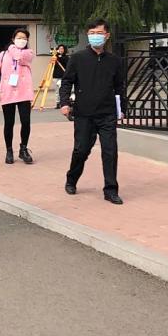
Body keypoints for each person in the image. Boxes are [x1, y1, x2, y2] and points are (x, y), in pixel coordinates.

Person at [58, 19, 127, 205]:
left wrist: (122, 109)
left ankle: (111, 190)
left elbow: (119, 87)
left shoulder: (114, 61)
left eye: (99, 33)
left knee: (110, 151)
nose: (96, 36)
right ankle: (72, 179)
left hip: (107, 114)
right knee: (81, 150)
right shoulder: (78, 58)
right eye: (92, 33)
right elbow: (66, 82)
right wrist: (64, 103)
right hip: (84, 113)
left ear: (107, 35)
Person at [0, 27, 36, 164]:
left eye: (24, 38)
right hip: (8, 91)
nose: (21, 40)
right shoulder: (3, 55)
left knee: (25, 121)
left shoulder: (29, 53)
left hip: (24, 92)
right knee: (9, 123)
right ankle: (9, 150)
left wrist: (12, 48)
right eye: (19, 38)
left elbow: (20, 57)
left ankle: (23, 149)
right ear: (13, 39)